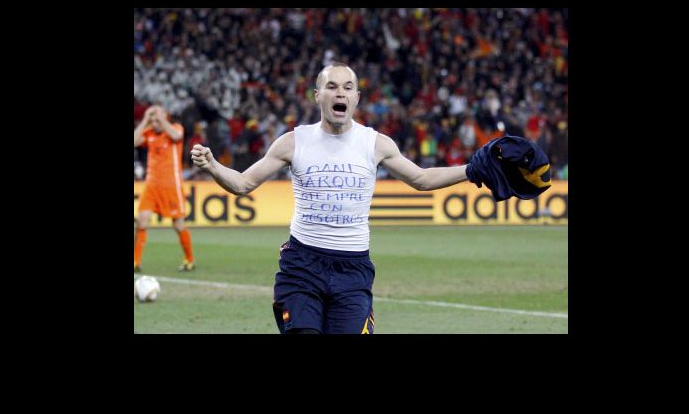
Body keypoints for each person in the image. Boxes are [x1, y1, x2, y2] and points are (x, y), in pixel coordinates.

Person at [191, 63, 468, 334]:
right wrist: (213, 166)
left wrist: (472, 169)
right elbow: (242, 184)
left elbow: (422, 179)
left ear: (356, 97)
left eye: (347, 88)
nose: (340, 93)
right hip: (302, 265)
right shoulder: (293, 142)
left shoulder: (376, 144)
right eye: (332, 86)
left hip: (353, 269)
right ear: (317, 95)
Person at [134, 105, 195, 272]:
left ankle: (189, 259)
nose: (154, 123)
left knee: (178, 225)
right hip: (151, 185)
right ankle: (136, 262)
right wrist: (145, 119)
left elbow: (176, 136)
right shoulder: (149, 133)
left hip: (171, 185)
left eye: (157, 120)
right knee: (142, 220)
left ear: (165, 118)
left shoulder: (175, 128)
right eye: (152, 121)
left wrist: (160, 117)